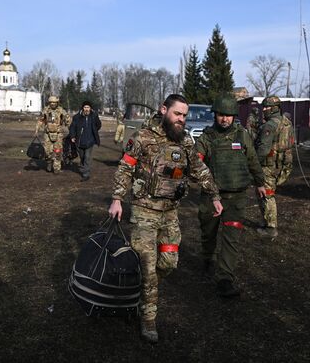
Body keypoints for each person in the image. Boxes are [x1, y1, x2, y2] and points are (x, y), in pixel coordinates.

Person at [108, 93, 223, 344]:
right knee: (148, 267)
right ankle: (148, 319)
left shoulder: (185, 142)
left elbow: (199, 170)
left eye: (184, 115)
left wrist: (214, 195)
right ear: (163, 110)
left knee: (169, 263)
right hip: (144, 211)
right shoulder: (142, 137)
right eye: (177, 113)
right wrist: (117, 199)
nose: (181, 119)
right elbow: (125, 167)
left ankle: (137, 289)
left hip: (170, 213)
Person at [195, 94, 266, 298]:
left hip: (237, 196)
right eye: (221, 115)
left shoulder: (242, 135)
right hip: (211, 195)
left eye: (228, 115)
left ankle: (225, 278)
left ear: (234, 116)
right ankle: (207, 258)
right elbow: (197, 161)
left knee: (231, 238)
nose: (224, 119)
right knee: (208, 232)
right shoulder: (206, 137)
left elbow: (252, 159)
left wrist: (260, 182)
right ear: (215, 115)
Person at [255, 96, 295, 240]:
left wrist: (253, 164)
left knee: (266, 194)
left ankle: (271, 227)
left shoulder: (270, 125)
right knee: (269, 193)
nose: (264, 110)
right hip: (283, 165)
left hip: (268, 165)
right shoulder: (287, 123)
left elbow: (263, 150)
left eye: (266, 107)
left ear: (274, 108)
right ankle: (268, 222)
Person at [35, 96, 70, 174]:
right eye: (51, 102)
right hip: (47, 134)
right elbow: (40, 120)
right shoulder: (45, 110)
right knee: (47, 152)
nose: (53, 104)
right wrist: (37, 130)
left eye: (54, 102)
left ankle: (57, 168)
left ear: (57, 103)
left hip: (58, 135)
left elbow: (68, 121)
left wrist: (71, 130)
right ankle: (49, 163)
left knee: (57, 151)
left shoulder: (61, 111)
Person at [70, 101, 102, 181]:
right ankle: (83, 165)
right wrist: (73, 136)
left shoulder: (94, 116)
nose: (86, 109)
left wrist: (94, 130)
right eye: (85, 107)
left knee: (87, 157)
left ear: (90, 108)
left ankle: (86, 174)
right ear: (82, 108)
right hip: (80, 140)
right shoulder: (77, 117)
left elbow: (98, 125)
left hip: (90, 140)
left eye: (88, 107)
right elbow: (72, 127)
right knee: (82, 157)